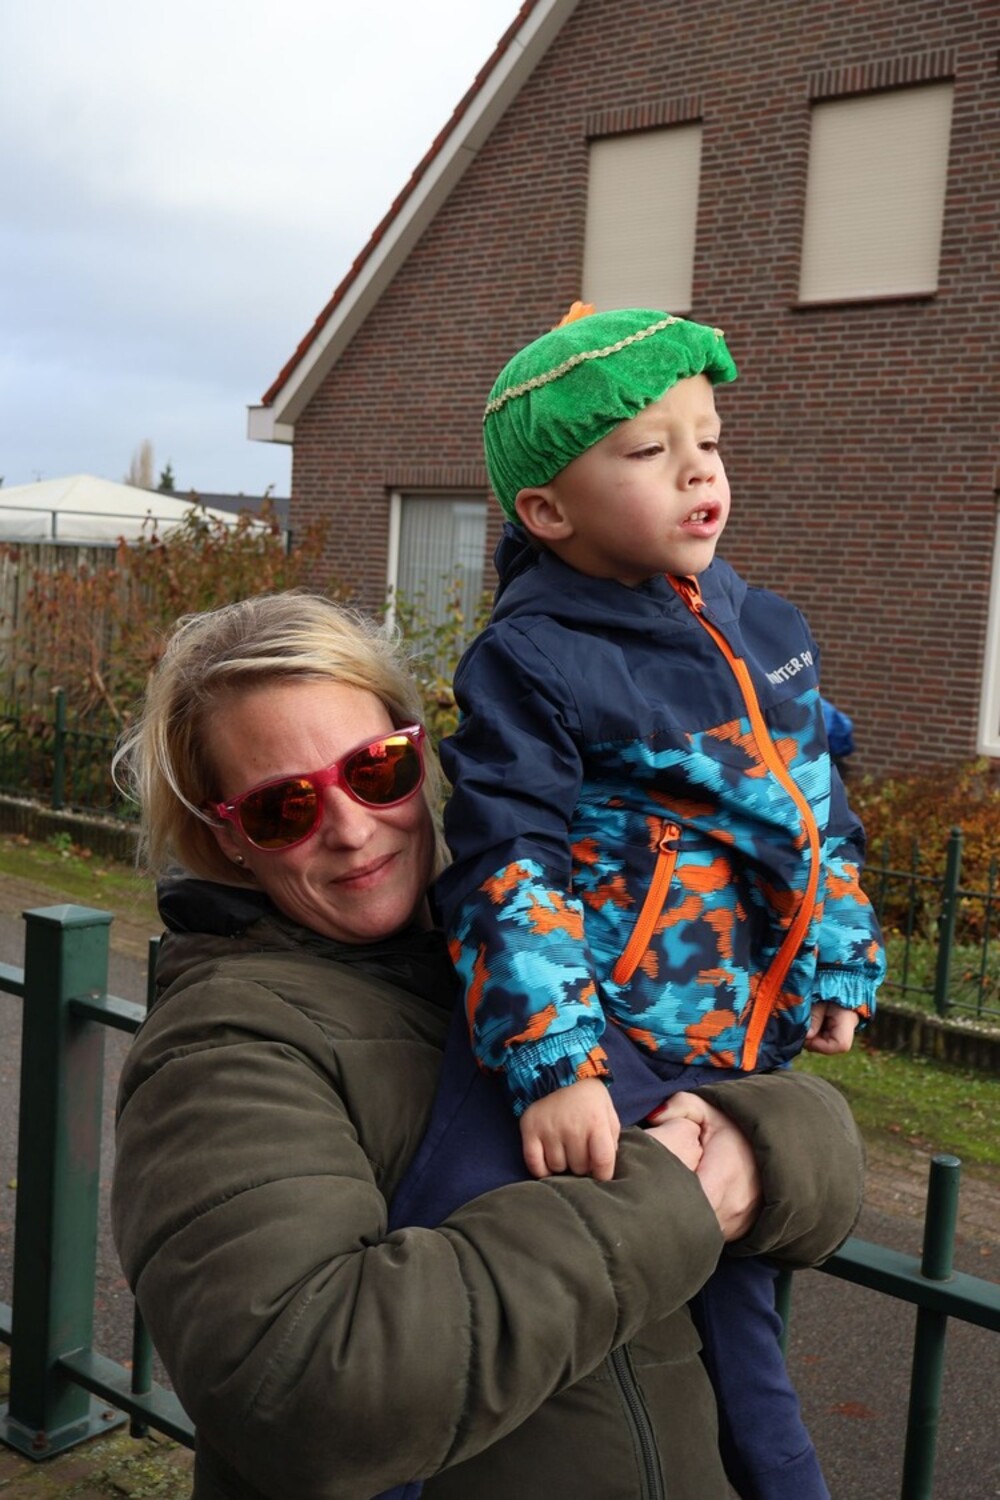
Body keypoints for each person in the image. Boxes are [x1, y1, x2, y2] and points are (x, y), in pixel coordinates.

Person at [110, 589, 866, 1500]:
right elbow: (305, 1394)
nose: (349, 828)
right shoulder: (223, 1043)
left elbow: (800, 1144)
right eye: (283, 810)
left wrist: (761, 1139)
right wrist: (683, 1196)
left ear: (421, 754)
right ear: (228, 839)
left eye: (376, 770)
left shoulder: (548, 940)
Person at [434, 305, 887, 1500]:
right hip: (611, 1028)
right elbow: (505, 859)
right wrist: (556, 1060)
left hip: (736, 1028)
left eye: (709, 440)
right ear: (548, 511)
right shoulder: (535, 657)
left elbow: (813, 808)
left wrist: (839, 952)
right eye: (647, 450)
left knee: (746, 1339)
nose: (698, 470)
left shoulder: (763, 626)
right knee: (456, 1234)